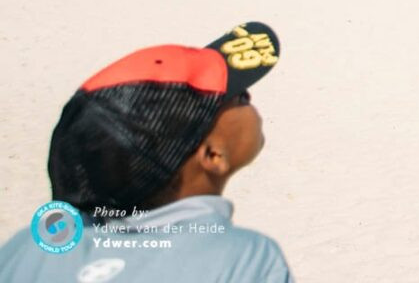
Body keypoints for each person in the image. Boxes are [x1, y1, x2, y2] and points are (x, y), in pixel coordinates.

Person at [0, 22, 293, 281]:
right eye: (239, 97)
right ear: (213, 156)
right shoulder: (246, 261)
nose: (249, 96)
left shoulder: (26, 250)